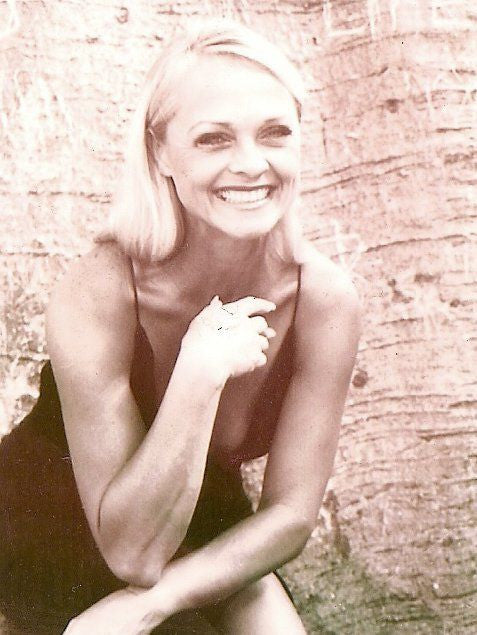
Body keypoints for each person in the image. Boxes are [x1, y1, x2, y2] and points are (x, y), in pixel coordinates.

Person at [0, 19, 361, 634]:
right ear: (160, 153)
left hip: (197, 527)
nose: (251, 164)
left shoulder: (324, 300)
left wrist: (151, 602)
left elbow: (291, 516)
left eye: (275, 132)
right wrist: (198, 375)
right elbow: (131, 553)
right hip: (47, 524)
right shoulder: (103, 287)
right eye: (213, 139)